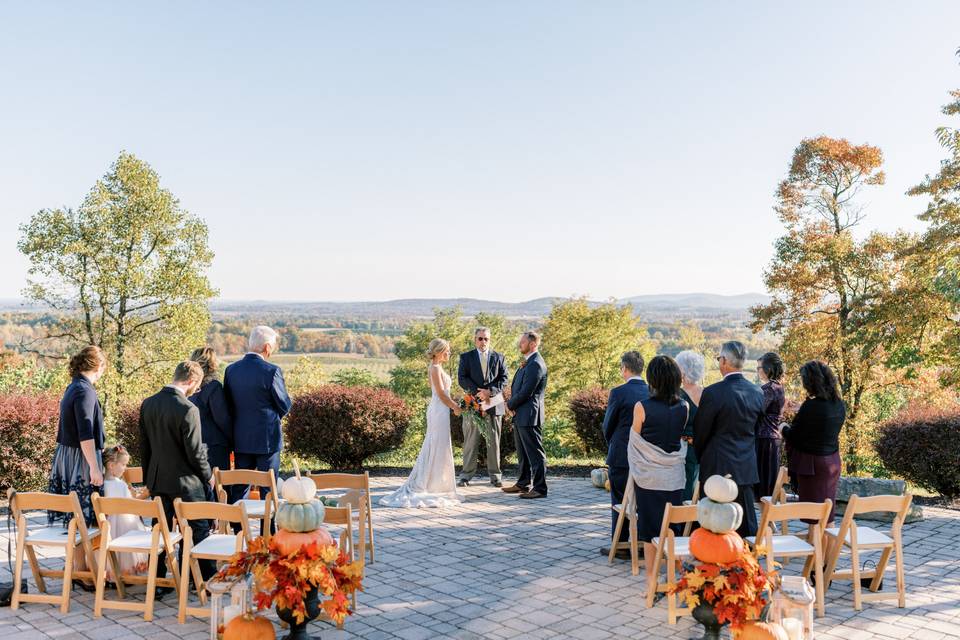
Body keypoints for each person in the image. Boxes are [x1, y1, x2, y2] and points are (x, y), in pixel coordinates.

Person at [139, 361, 215, 591]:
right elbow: (195, 451)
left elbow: (144, 447)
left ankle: (159, 580)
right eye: (197, 386)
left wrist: (148, 480)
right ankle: (200, 578)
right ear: (192, 381)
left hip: (158, 479)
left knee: (160, 528)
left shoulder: (148, 403)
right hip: (186, 483)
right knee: (199, 527)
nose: (196, 391)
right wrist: (208, 475)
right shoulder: (188, 409)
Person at [627, 355, 688, 595]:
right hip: (674, 477)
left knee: (649, 530)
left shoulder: (642, 407)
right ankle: (677, 579)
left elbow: (635, 443)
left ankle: (651, 581)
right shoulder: (683, 407)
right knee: (672, 527)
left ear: (652, 379)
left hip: (648, 478)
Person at [380, 339, 464, 508]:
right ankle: (427, 483)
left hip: (441, 410)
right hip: (438, 410)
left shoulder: (437, 368)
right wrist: (455, 407)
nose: (449, 353)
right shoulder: (434, 368)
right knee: (435, 444)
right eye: (447, 351)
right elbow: (440, 393)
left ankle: (437, 483)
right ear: (439, 351)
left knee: (440, 445)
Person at [693, 341, 764, 537]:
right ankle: (747, 562)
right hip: (745, 465)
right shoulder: (757, 392)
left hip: (717, 466)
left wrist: (701, 457)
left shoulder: (713, 392)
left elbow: (701, 431)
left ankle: (714, 564)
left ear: (724, 361)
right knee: (746, 522)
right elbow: (756, 430)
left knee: (713, 522)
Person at [223, 326, 291, 501]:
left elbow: (228, 406)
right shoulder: (272, 371)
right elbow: (284, 404)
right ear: (267, 347)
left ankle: (238, 527)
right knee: (268, 491)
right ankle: (267, 529)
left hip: (240, 439)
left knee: (240, 488)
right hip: (267, 440)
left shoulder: (231, 370)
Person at [48, 346, 107, 528]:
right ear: (99, 367)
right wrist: (94, 468)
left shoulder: (73, 387)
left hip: (67, 455)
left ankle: (78, 557)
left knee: (74, 518)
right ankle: (82, 557)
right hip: (81, 459)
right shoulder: (85, 391)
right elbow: (86, 434)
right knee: (83, 519)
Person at [782, 361, 845, 524]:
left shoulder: (811, 407)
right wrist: (802, 408)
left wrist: (782, 427)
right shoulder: (838, 403)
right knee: (827, 513)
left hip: (814, 466)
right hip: (833, 462)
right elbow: (820, 424)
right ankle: (827, 549)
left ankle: (817, 549)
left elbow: (794, 436)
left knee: (814, 517)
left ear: (811, 382)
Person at [600, 351, 650, 558]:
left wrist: (612, 443)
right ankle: (643, 543)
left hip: (622, 453)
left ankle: (619, 545)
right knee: (644, 499)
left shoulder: (618, 392)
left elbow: (608, 424)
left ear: (625, 368)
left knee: (619, 499)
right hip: (646, 455)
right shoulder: (652, 391)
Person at [457, 327, 509, 488]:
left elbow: (504, 378)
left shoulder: (499, 357)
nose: (483, 342)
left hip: (494, 404)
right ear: (475, 340)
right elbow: (462, 378)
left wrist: (489, 392)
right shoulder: (466, 357)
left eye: (486, 339)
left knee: (493, 442)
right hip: (473, 403)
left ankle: (495, 477)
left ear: (489, 340)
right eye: (480, 338)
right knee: (471, 442)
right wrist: (478, 393)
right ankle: (465, 476)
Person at [503, 331, 549, 499]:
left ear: (532, 344)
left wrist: (510, 404)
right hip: (521, 413)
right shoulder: (528, 362)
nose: (519, 344)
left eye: (522, 342)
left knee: (535, 453)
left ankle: (540, 488)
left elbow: (526, 392)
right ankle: (523, 483)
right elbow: (518, 387)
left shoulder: (536, 364)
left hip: (530, 414)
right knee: (523, 452)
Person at [189, 346, 233, 498]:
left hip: (194, 445)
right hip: (215, 447)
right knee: (220, 489)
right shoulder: (213, 387)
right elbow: (223, 419)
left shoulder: (189, 389)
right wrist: (232, 440)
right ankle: (223, 520)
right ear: (213, 364)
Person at [100, 445, 148, 581]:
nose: (125, 468)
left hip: (107, 525)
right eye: (123, 464)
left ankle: (110, 574)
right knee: (127, 550)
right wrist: (144, 495)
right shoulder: (120, 484)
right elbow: (131, 505)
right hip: (124, 524)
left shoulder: (101, 484)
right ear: (111, 465)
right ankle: (126, 574)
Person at [675, 350, 705, 502]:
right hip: (701, 448)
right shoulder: (707, 393)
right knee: (696, 486)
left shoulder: (676, 394)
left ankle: (682, 521)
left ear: (683, 371)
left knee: (684, 486)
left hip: (682, 448)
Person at [755, 352, 786, 499]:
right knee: (768, 482)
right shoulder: (779, 387)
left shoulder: (768, 389)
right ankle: (769, 519)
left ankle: (767, 519)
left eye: (759, 368)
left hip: (764, 438)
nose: (757, 371)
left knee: (763, 483)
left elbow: (757, 410)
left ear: (767, 369)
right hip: (773, 437)